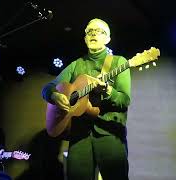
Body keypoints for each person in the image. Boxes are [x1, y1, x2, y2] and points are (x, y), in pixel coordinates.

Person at [42, 18, 131, 180]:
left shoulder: (119, 62)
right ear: (84, 39)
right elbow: (47, 88)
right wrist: (54, 95)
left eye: (99, 31)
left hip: (109, 133)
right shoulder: (76, 64)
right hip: (79, 136)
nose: (94, 33)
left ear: (108, 39)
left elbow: (124, 100)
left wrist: (108, 90)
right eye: (89, 31)